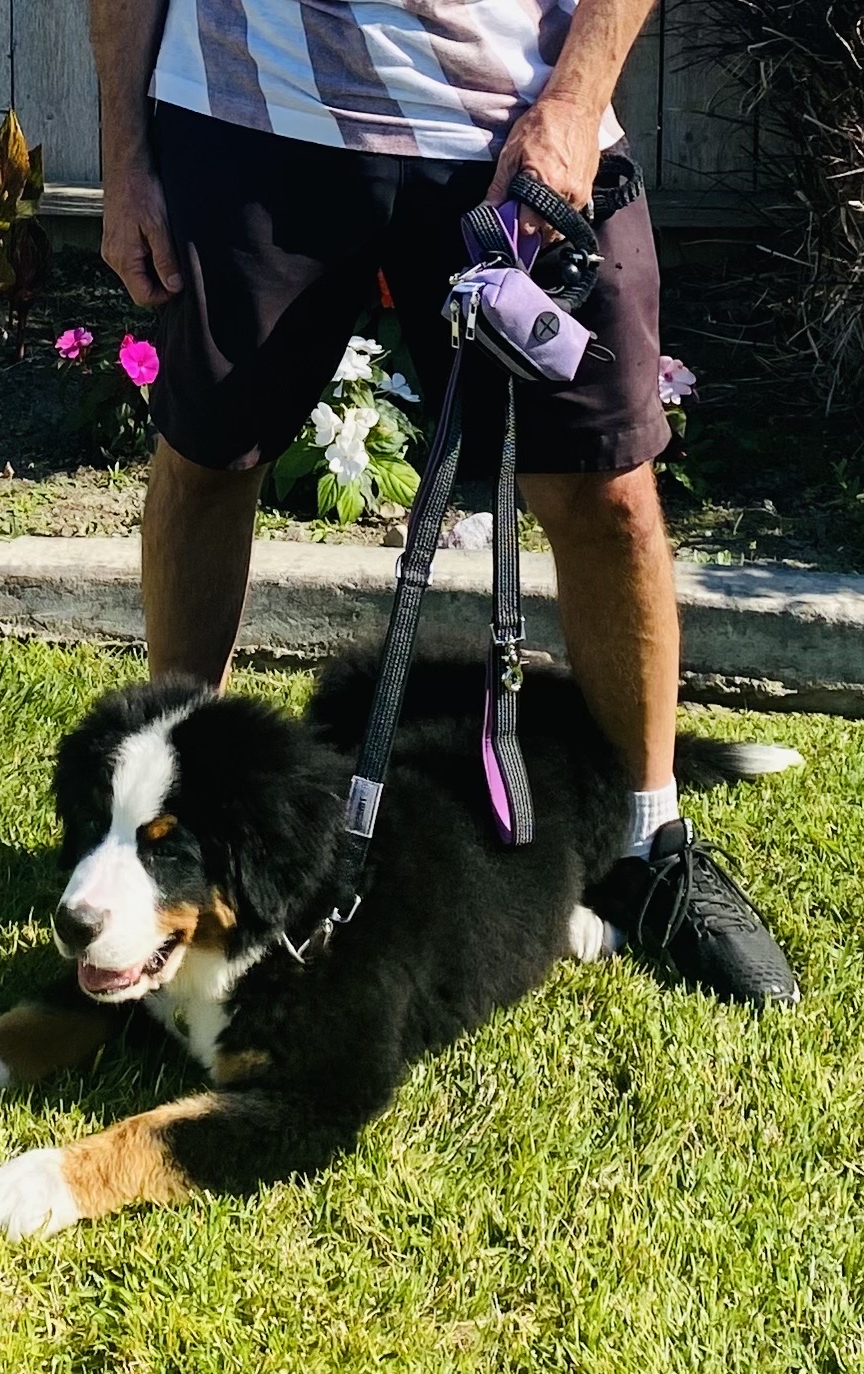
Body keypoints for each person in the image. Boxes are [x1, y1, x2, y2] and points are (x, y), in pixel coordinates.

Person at [87, 0, 800, 1008]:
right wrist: (126, 154)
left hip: (509, 122)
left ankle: (647, 841)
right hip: (249, 114)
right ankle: (174, 817)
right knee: (205, 464)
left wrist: (574, 96)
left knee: (604, 488)